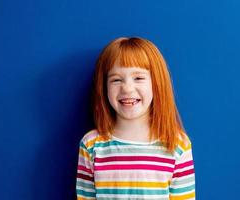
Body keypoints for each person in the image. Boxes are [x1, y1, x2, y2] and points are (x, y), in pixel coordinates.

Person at [76, 37, 195, 199]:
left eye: (138, 78)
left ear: (157, 83)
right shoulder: (91, 145)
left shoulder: (177, 144)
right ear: (104, 87)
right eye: (116, 80)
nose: (127, 88)